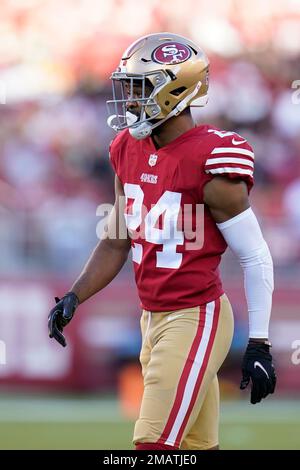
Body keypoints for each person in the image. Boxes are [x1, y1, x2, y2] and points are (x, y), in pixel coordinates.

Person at [48, 33, 276, 450]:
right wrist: (74, 296)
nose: (130, 99)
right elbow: (117, 239)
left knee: (151, 444)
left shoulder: (212, 159)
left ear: (173, 90)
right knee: (195, 447)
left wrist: (259, 342)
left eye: (140, 87)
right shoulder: (126, 147)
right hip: (151, 318)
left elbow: (256, 256)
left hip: (196, 317)